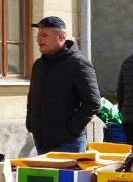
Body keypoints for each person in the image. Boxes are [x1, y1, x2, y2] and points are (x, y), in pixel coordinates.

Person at [27, 16, 101, 155]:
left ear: (61, 37)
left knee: (66, 178)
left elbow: (93, 102)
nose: (38, 40)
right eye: (38, 35)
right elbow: (32, 98)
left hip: (69, 144)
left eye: (44, 35)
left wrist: (71, 130)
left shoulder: (78, 64)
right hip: (41, 143)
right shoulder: (39, 65)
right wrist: (31, 124)